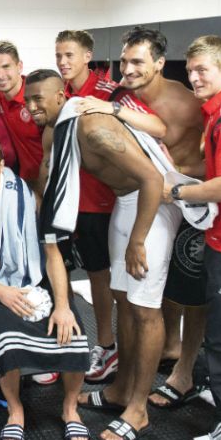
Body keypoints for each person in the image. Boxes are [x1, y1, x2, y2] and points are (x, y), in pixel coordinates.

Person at [26, 70, 182, 440]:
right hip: (127, 203)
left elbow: (152, 180)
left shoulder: (93, 127)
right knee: (123, 303)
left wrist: (139, 241)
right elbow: (45, 178)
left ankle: (139, 409)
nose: (32, 107)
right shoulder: (59, 130)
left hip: (154, 204)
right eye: (28, 100)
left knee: (145, 308)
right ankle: (120, 389)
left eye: (39, 99)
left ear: (62, 96)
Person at [0, 136, 90, 440]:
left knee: (75, 333)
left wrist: (63, 304)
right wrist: (1, 291)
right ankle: (16, 409)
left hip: (35, 274)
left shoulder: (28, 197)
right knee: (4, 336)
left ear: (1, 164)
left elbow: (52, 255)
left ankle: (70, 408)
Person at [55, 29, 166, 384]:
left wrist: (112, 107)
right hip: (86, 202)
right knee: (105, 286)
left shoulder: (109, 93)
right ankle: (111, 361)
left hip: (117, 202)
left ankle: (111, 352)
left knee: (120, 291)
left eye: (70, 55)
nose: (63, 62)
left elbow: (158, 128)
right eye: (58, 56)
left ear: (88, 56)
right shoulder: (63, 94)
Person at [112, 27, 209, 408]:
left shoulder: (188, 103)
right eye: (124, 60)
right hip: (149, 199)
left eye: (137, 61)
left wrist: (181, 176)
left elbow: (218, 160)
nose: (128, 68)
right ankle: (168, 347)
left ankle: (184, 371)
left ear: (159, 63)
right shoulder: (124, 98)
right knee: (156, 286)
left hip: (191, 200)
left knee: (191, 292)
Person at [165, 35, 221, 440]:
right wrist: (177, 168)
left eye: (203, 70)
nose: (194, 77)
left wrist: (177, 192)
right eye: (191, 70)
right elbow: (219, 167)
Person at [0, 41, 43, 190]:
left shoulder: (38, 98)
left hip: (49, 182)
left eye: (6, 67)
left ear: (19, 66)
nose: (0, 75)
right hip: (23, 183)